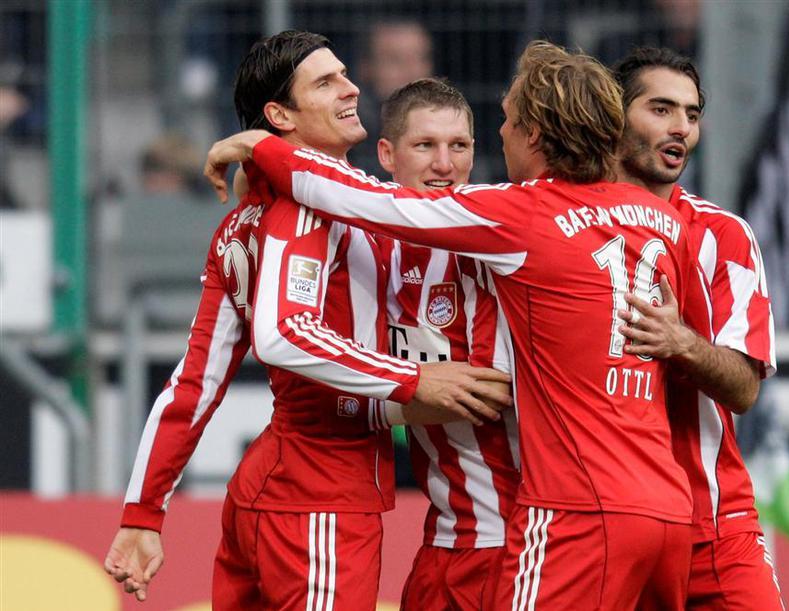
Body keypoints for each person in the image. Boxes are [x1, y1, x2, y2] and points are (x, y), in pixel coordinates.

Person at [205, 40, 715, 609]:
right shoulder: (660, 220)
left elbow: (363, 200)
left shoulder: (514, 221)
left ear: (534, 135)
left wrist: (265, 149)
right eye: (426, 145)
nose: (499, 134)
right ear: (389, 152)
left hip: (553, 519)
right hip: (653, 506)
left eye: (505, 121)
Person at [103, 30, 510, 610]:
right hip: (319, 495)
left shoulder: (240, 225)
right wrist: (417, 381)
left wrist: (143, 511)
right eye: (326, 82)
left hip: (268, 488)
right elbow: (284, 334)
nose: (350, 88)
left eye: (344, 73)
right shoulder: (310, 209)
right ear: (280, 115)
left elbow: (193, 385)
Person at [611, 46, 785, 609]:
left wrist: (680, 342)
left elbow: (744, 389)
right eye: (661, 109)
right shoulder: (563, 224)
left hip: (714, 526)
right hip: (606, 527)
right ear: (613, 116)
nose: (681, 128)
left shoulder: (724, 236)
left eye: (692, 114)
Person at [374, 78, 519, 610]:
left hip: (512, 540)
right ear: (387, 154)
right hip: (445, 536)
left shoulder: (496, 245)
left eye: (458, 146)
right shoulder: (371, 250)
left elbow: (495, 391)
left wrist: (381, 399)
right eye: (425, 145)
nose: (444, 164)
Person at [348, 20, 434, 178]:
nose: (412, 70)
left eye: (420, 58)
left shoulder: (451, 121)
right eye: (395, 60)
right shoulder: (350, 132)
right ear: (365, 67)